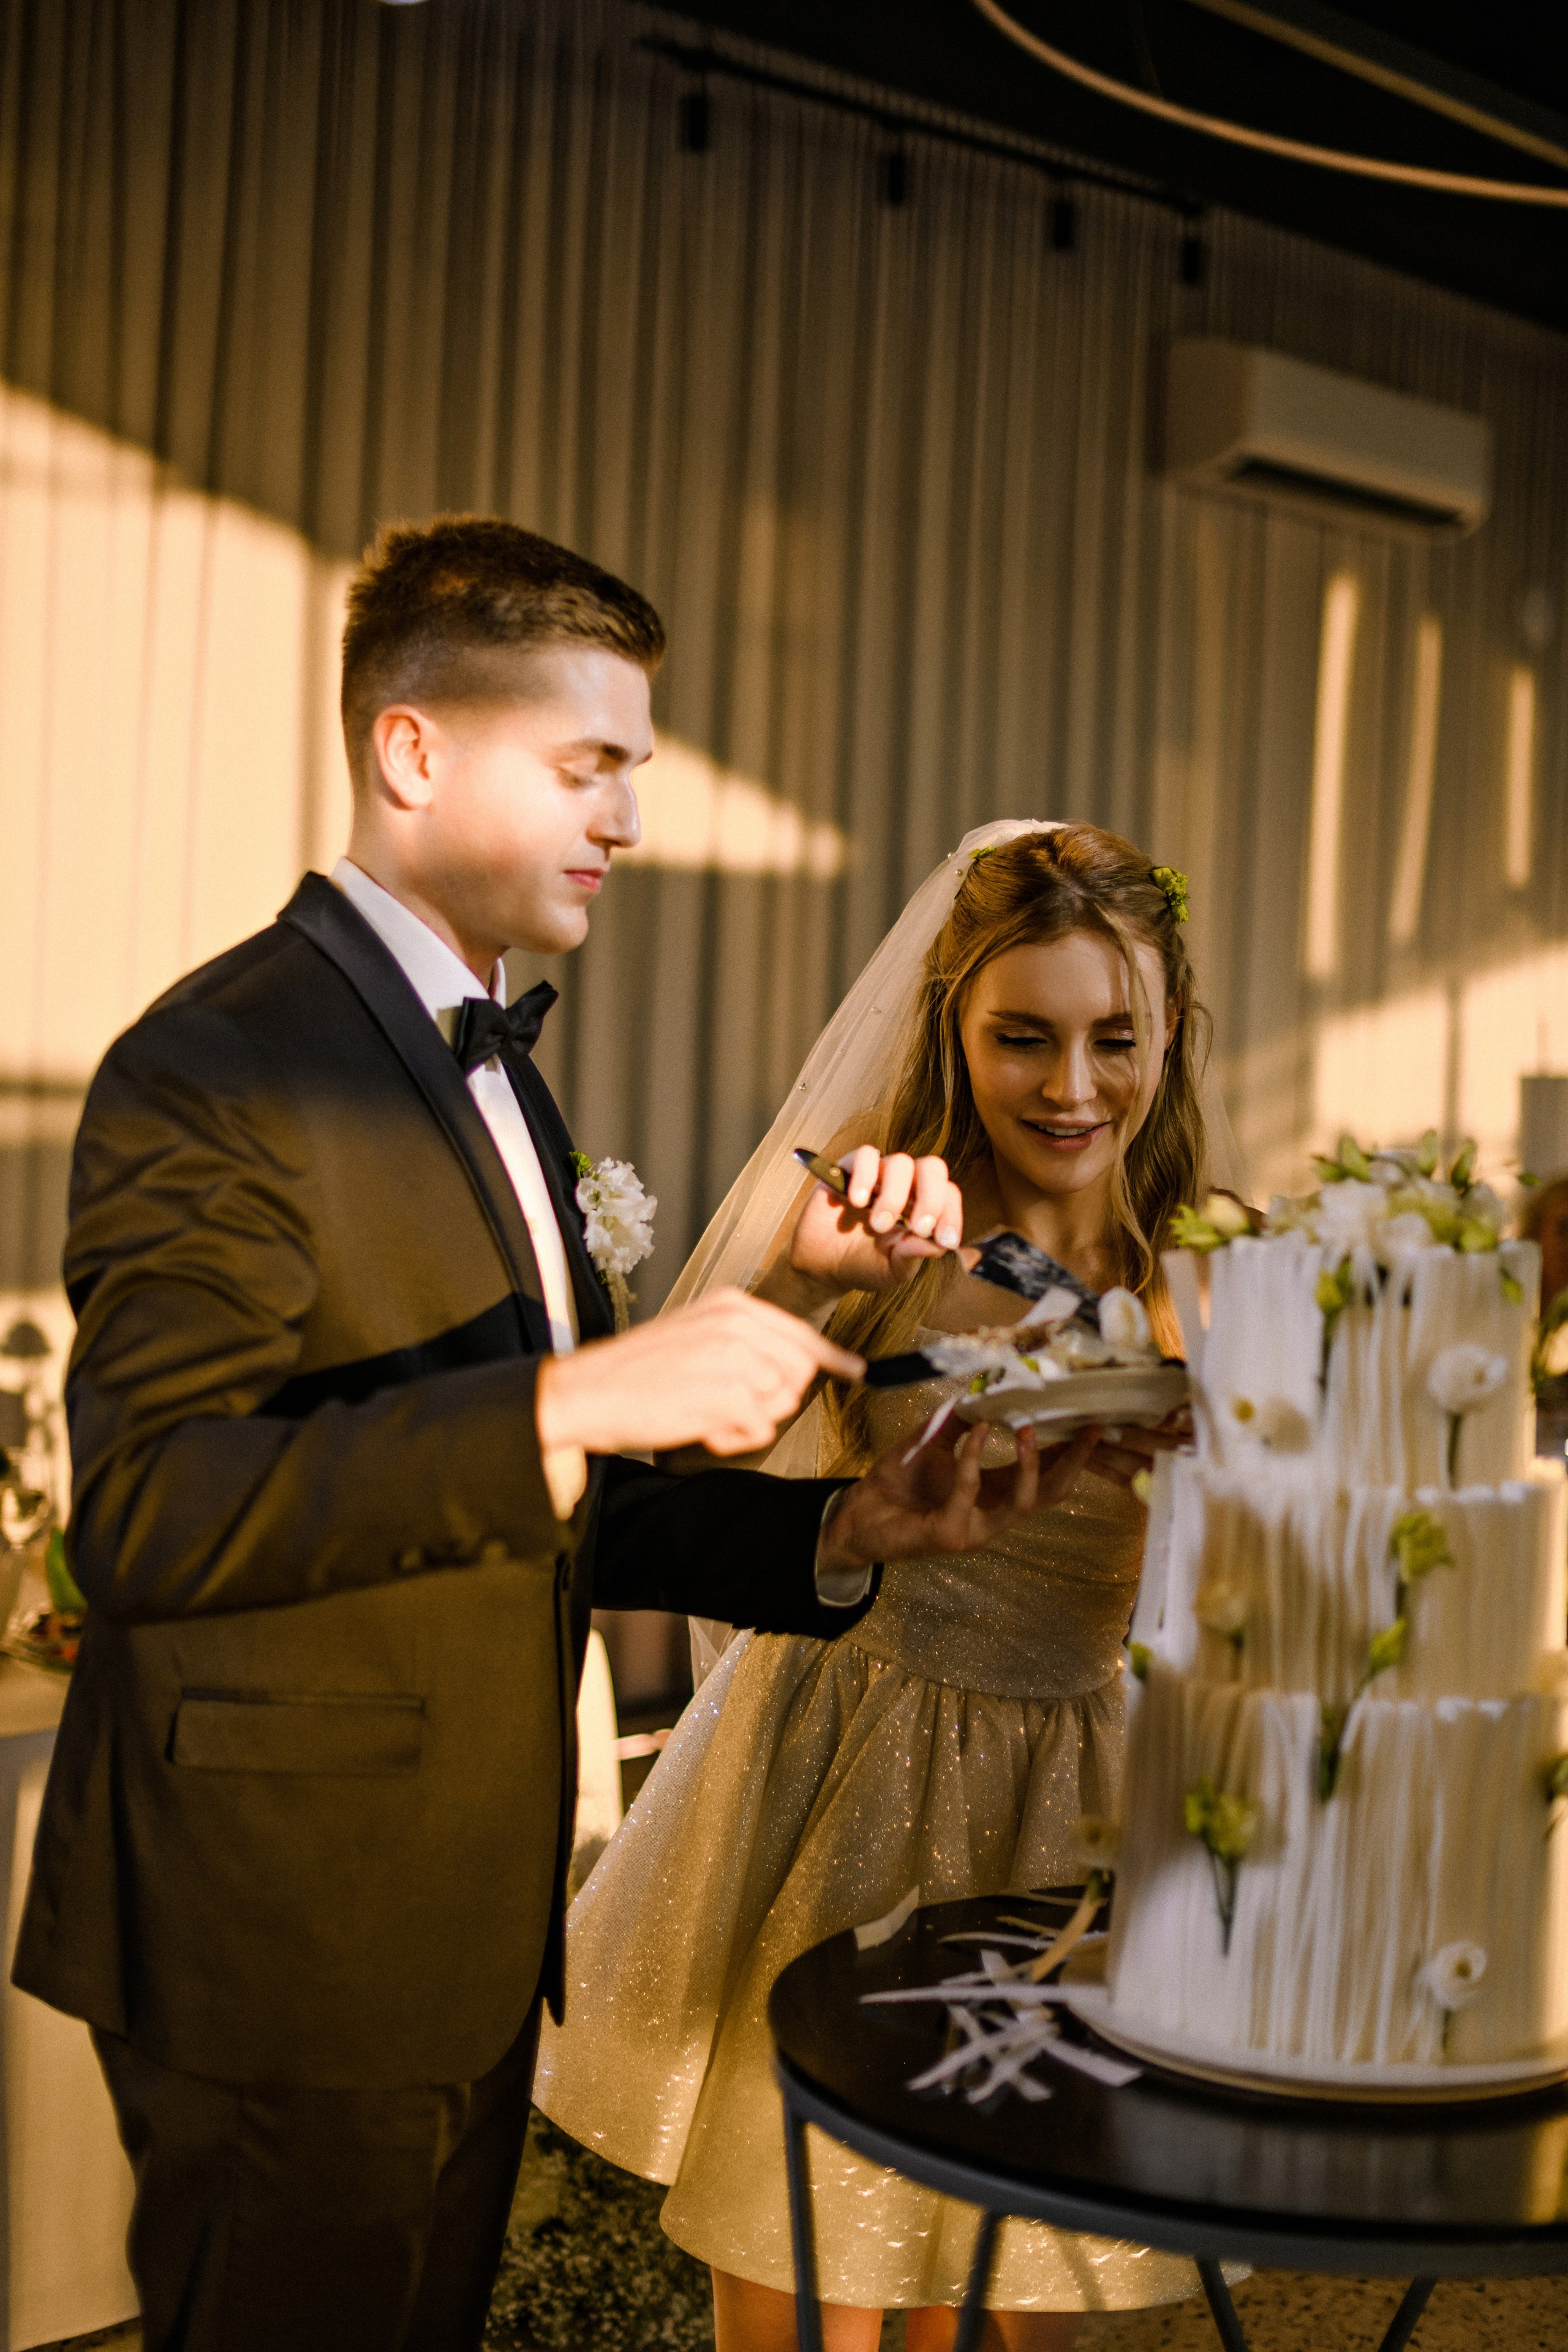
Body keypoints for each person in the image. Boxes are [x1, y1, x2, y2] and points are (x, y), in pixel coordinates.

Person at [12, 521, 1046, 2352]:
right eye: (593, 767)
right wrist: (580, 1390)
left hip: (471, 1924)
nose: (632, 820)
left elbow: (543, 1497)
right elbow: (159, 1514)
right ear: (414, 753)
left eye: (634, 772)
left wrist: (844, 1532)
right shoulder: (222, 1061)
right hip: (288, 1938)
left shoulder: (493, 1058)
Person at [535, 820, 1242, 2352]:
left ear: (1167, 1032)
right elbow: (651, 1473)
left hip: (1069, 1798)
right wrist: (797, 1276)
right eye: (1021, 1038)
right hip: (834, 1773)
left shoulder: (1213, 1271)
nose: (1070, 1087)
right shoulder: (887, 1229)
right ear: (952, 1026)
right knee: (808, 2291)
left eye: (1113, 1038)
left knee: (1018, 2290)